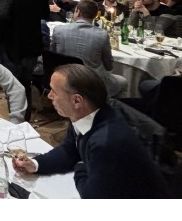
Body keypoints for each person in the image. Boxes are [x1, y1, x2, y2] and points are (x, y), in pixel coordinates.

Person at [12, 63, 170, 198]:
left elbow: (91, 196)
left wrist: (81, 164)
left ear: (77, 101)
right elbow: (69, 149)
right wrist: (36, 164)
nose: (49, 96)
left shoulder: (106, 142)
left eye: (54, 91)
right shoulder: (86, 115)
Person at [51, 0, 128, 98]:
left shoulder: (58, 30)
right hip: (91, 81)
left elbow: (53, 54)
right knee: (123, 81)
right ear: (95, 15)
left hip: (64, 76)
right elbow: (109, 66)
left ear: (78, 12)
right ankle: (109, 106)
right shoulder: (102, 35)